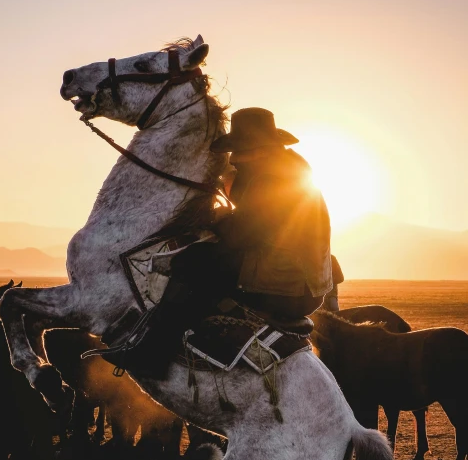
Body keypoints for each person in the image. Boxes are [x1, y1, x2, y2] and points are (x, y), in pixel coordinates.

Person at [103, 107, 333, 378]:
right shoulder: (286, 171)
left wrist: (214, 219)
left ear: (259, 149)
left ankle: (153, 353)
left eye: (240, 150)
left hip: (287, 285)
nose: (235, 159)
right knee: (206, 259)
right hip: (299, 281)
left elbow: (241, 234)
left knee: (191, 261)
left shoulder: (272, 181)